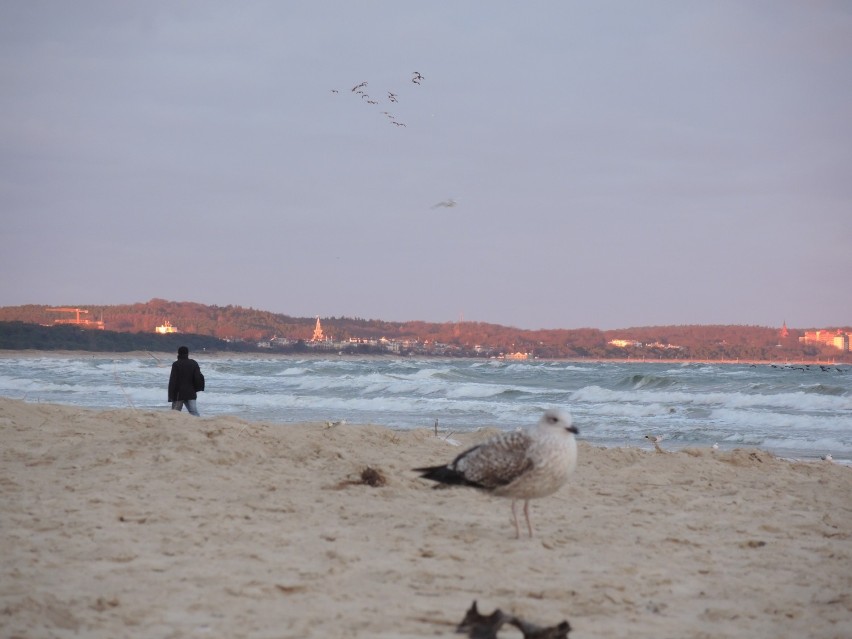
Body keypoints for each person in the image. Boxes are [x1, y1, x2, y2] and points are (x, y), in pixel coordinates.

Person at [168, 346, 205, 416]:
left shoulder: (176, 364)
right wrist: (197, 389)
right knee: (194, 413)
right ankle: (198, 425)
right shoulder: (194, 363)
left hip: (178, 394)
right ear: (188, 353)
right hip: (191, 392)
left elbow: (172, 381)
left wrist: (170, 396)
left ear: (178, 353)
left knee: (175, 414)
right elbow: (198, 378)